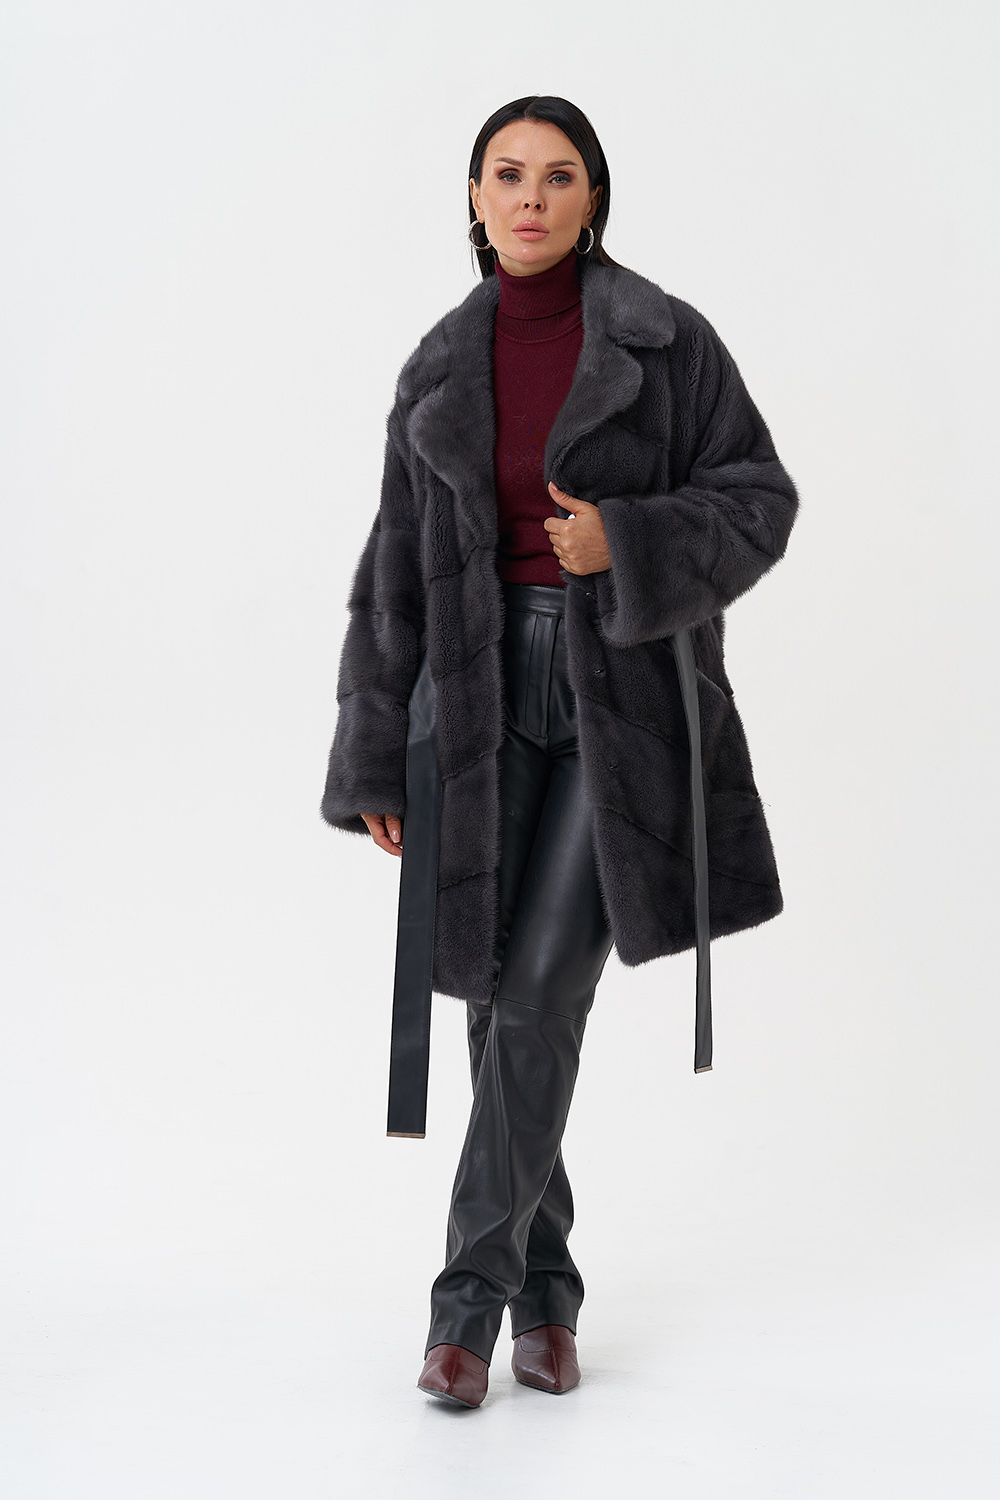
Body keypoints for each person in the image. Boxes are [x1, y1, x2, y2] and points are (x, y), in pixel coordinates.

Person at [319, 95, 799, 1410]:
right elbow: (393, 569)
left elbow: (759, 499)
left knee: (538, 995)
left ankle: (461, 1315)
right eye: (507, 174)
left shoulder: (663, 339)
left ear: (594, 198)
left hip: (619, 701)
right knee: (492, 1000)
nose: (531, 197)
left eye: (559, 175)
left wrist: (624, 541)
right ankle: (549, 1296)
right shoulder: (438, 363)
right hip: (471, 705)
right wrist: (377, 756)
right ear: (475, 198)